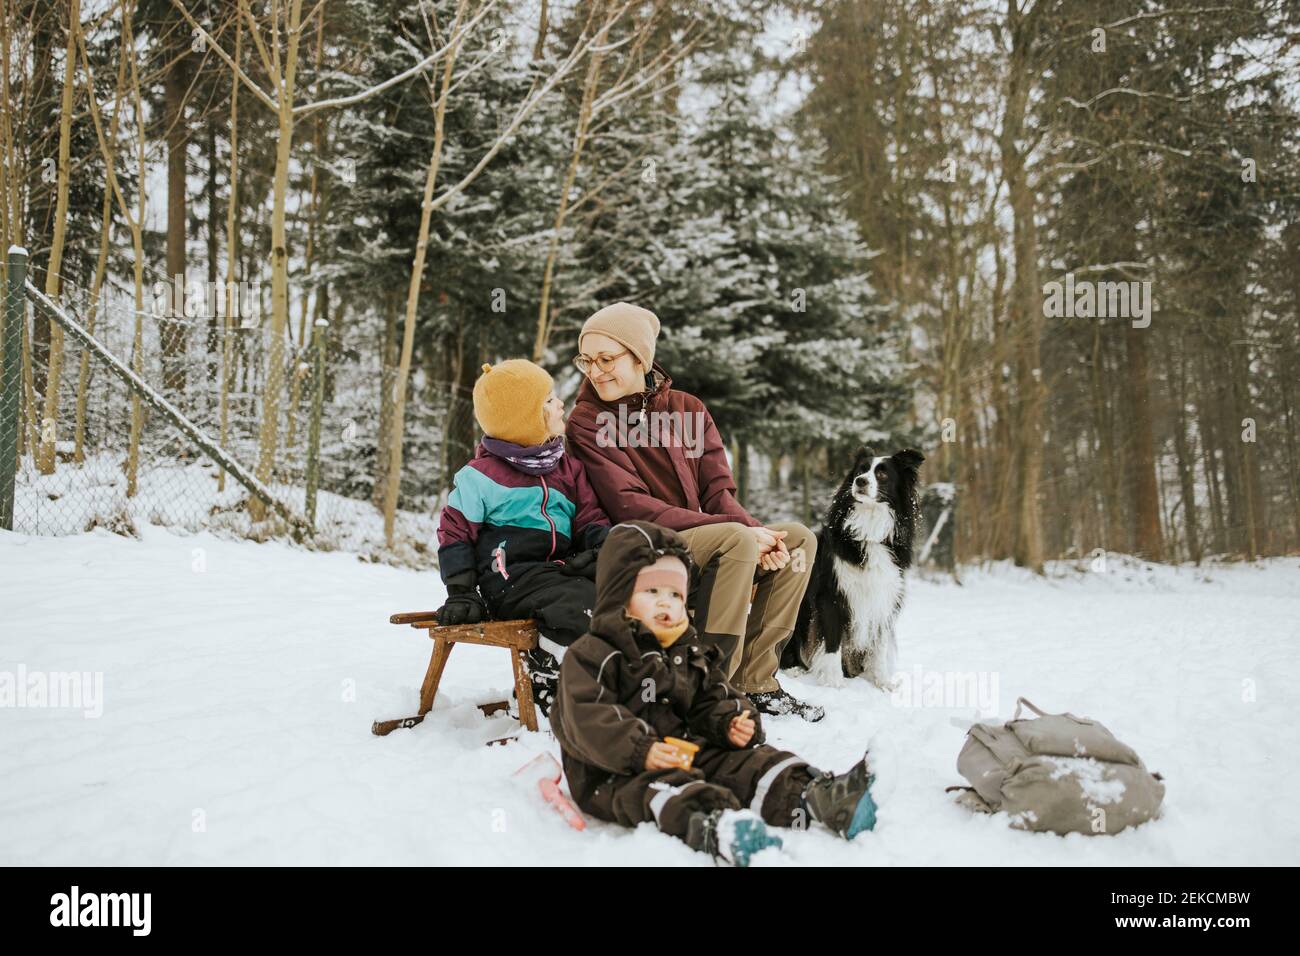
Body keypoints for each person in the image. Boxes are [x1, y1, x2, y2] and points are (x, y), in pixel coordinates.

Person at [550, 521, 878, 866]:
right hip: (615, 772)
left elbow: (712, 693)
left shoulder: (683, 649)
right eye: (652, 592)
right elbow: (587, 716)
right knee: (669, 789)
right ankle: (714, 826)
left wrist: (732, 719)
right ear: (620, 596)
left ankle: (815, 796)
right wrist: (640, 750)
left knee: (747, 761)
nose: (667, 604)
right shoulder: (592, 655)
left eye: (675, 595)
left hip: (684, 750)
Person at [566, 301, 824, 721]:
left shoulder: (688, 409)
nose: (595, 371)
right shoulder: (587, 421)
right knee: (736, 538)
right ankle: (709, 687)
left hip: (698, 537)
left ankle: (755, 681)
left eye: (606, 359)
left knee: (798, 540)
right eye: (587, 360)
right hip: (638, 545)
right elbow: (631, 505)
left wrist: (765, 537)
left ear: (640, 357)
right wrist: (739, 533)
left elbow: (720, 493)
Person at [434, 360, 609, 713]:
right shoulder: (479, 477)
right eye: (547, 401)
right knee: (578, 602)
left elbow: (590, 515)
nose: (560, 404)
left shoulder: (567, 468)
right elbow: (454, 533)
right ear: (522, 418)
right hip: (509, 579)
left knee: (614, 594)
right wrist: (462, 593)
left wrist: (601, 548)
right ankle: (548, 672)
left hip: (561, 571)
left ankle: (619, 681)